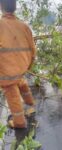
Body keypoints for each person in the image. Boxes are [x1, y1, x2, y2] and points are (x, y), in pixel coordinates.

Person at [0, 0, 36, 128]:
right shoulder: (24, 26)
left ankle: (19, 123)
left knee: (12, 95)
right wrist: (27, 67)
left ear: (1, 7)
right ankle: (30, 103)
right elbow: (33, 51)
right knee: (21, 82)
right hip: (21, 68)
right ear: (15, 8)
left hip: (6, 73)